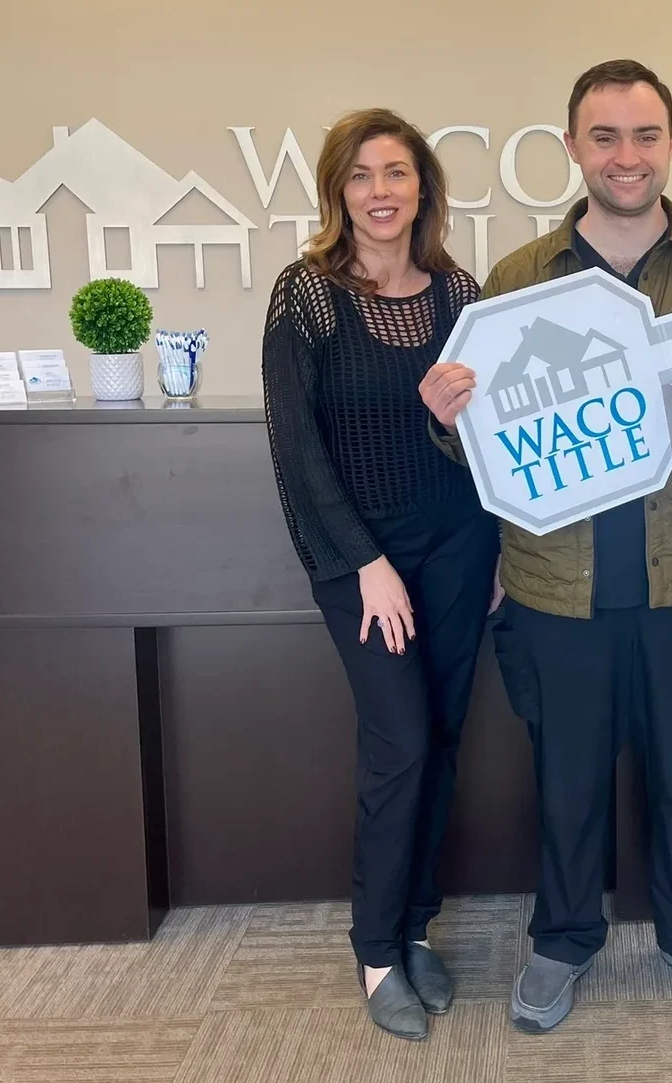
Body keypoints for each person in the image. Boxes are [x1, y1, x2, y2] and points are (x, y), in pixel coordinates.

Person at [420, 59, 672, 1033]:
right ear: (571, 149)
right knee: (565, 784)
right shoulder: (516, 282)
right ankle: (561, 941)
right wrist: (442, 417)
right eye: (604, 136)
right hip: (559, 590)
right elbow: (481, 443)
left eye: (643, 136)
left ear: (671, 145)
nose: (625, 156)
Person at [261, 107, 499, 1042]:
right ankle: (373, 950)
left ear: (423, 190)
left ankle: (413, 926)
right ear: (338, 191)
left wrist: (499, 553)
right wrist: (365, 563)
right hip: (361, 560)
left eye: (397, 173)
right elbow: (295, 447)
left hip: (458, 544)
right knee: (398, 739)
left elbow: (485, 436)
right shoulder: (307, 294)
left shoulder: (458, 294)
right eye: (361, 175)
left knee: (441, 736)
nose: (380, 192)